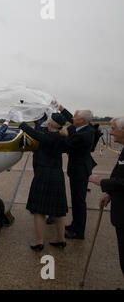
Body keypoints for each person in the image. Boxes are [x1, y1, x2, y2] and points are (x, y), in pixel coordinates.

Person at [19, 113, 69, 251]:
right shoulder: (62, 137)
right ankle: (61, 239)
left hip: (43, 174)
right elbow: (41, 133)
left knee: (39, 211)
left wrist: (21, 121)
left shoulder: (47, 137)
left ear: (51, 124)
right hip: (57, 174)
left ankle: (39, 241)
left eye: (49, 120)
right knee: (58, 211)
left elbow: (34, 133)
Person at [89, 117, 124, 275]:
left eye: (113, 129)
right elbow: (119, 172)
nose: (110, 132)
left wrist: (102, 181)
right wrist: (109, 193)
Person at [56, 102, 95, 239]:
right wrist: (61, 109)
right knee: (77, 200)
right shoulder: (86, 127)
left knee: (78, 201)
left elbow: (66, 145)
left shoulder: (83, 135)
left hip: (79, 171)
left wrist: (57, 135)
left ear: (82, 121)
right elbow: (71, 120)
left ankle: (78, 231)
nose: (72, 119)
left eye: (75, 117)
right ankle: (75, 224)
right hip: (80, 169)